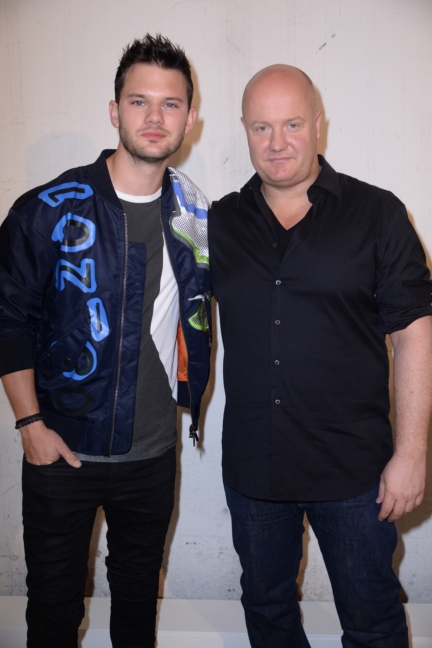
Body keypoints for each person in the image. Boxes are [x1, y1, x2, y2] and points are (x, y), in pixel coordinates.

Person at [209, 64, 432, 648]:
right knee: (268, 614)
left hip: (355, 473)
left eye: (291, 124)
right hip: (255, 469)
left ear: (318, 124)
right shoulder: (219, 222)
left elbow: (413, 335)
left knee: (373, 623)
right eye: (261, 127)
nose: (277, 142)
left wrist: (411, 454)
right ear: (243, 129)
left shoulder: (378, 213)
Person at [0, 34, 211, 648]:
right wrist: (31, 427)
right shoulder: (47, 208)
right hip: (62, 453)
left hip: (151, 459)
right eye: (138, 101)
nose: (154, 117)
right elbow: (8, 319)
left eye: (170, 104)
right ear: (113, 109)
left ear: (190, 118)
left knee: (136, 613)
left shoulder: (194, 214)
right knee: (53, 616)